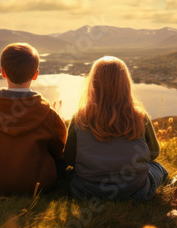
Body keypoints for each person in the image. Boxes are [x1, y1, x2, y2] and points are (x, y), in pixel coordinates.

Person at [64, 56, 168, 200]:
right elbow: (154, 152)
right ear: (125, 83)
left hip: (87, 190)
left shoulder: (80, 117)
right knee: (159, 168)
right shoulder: (139, 116)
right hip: (135, 189)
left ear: (93, 83)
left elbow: (70, 157)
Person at [0, 43, 67, 195]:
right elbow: (58, 149)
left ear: (3, 72)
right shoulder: (48, 113)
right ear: (35, 74)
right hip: (39, 184)